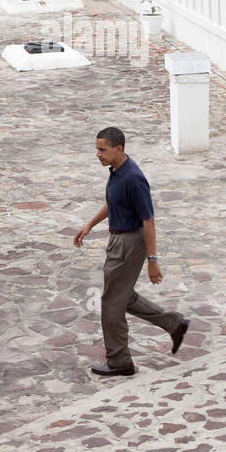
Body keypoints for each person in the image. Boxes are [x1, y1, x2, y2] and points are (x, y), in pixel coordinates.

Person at [73, 126, 189, 377]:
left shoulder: (134, 178)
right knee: (124, 296)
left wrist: (153, 260)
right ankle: (174, 324)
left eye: (102, 150)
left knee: (111, 305)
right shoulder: (115, 170)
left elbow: (149, 220)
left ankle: (119, 361)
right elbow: (112, 202)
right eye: (96, 149)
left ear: (119, 149)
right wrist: (89, 225)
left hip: (129, 244)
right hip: (118, 241)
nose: (98, 154)